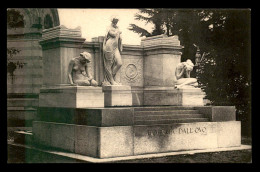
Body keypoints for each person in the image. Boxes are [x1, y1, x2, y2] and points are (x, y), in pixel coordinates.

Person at [102, 16, 123, 86]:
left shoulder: (117, 28)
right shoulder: (109, 27)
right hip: (109, 45)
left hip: (116, 47)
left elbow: (119, 38)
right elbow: (113, 34)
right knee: (109, 64)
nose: (116, 22)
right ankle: (111, 80)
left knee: (119, 63)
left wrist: (120, 46)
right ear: (112, 21)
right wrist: (118, 31)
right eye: (114, 21)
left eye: (117, 21)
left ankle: (111, 78)